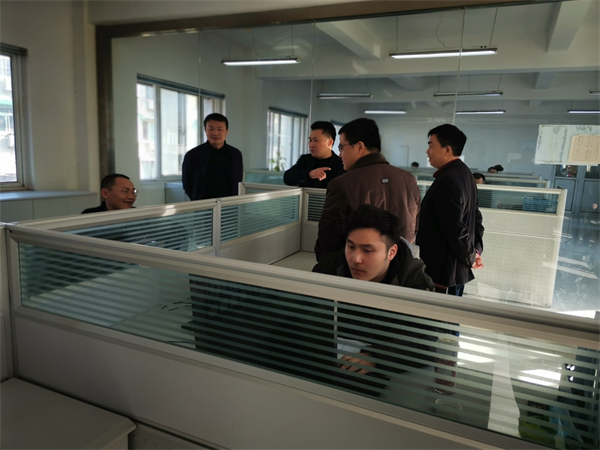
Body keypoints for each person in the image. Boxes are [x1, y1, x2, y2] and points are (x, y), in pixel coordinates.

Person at [314, 204, 437, 378]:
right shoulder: (329, 268)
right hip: (326, 361)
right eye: (351, 246)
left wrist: (376, 357)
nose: (356, 259)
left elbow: (426, 340)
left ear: (391, 252)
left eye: (367, 250)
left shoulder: (414, 283)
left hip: (377, 373)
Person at [315, 118, 420, 262]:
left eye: (341, 147)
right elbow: (415, 227)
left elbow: (329, 240)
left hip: (357, 267)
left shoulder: (342, 184)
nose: (339, 154)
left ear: (360, 147)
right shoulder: (409, 179)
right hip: (403, 267)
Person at [416, 124, 484, 296]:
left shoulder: (448, 180)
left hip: (443, 271)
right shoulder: (465, 173)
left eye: (431, 146)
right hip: (456, 270)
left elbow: (455, 228)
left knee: (437, 312)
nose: (427, 151)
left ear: (447, 150)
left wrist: (471, 257)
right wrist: (475, 252)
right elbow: (476, 218)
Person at [182, 113, 243, 201]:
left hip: (229, 204)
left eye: (220, 129)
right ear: (205, 130)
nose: (215, 133)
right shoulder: (192, 155)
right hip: (203, 205)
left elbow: (238, 180)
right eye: (211, 129)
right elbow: (187, 184)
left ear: (226, 132)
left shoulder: (235, 154)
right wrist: (197, 199)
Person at [283, 121, 344, 188]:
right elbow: (287, 177)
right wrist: (309, 174)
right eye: (310, 140)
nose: (311, 145)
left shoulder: (341, 164)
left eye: (315, 140)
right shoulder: (305, 160)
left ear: (330, 142)